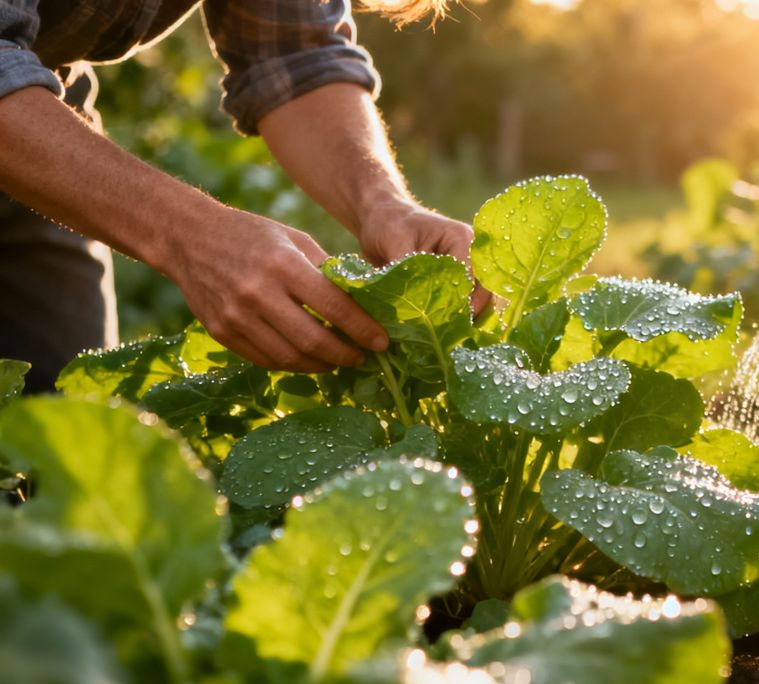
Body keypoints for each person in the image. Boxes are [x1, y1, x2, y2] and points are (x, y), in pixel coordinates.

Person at [0, 0, 486, 392]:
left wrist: (382, 202)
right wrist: (189, 233)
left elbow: (294, 53)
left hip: (45, 124)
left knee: (67, 447)